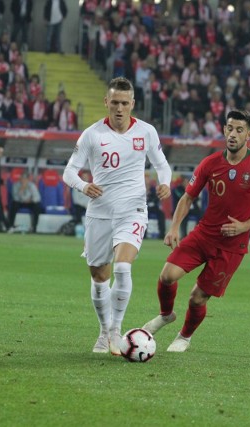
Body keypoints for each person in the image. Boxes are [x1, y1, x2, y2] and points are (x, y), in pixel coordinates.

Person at [142, 109, 250, 352]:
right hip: (204, 234)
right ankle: (165, 315)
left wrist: (244, 226)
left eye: (239, 130)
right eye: (230, 128)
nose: (233, 134)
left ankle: (184, 336)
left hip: (232, 246)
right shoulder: (210, 163)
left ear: (249, 134)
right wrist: (174, 228)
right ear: (224, 130)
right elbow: (187, 198)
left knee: (197, 297)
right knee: (167, 276)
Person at [63, 77, 172, 355]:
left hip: (132, 210)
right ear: (106, 102)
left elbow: (162, 165)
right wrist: (84, 185)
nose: (120, 108)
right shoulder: (92, 134)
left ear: (132, 104)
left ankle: (115, 330)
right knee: (99, 275)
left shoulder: (146, 132)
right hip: (99, 214)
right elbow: (69, 171)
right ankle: (104, 330)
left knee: (123, 268)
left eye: (125, 103)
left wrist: (165, 183)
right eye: (115, 103)